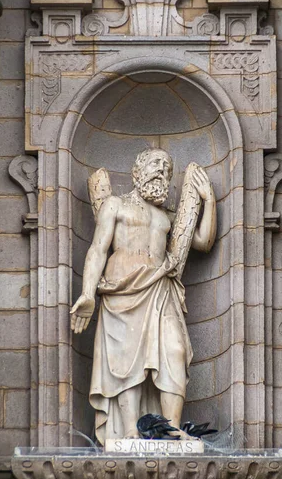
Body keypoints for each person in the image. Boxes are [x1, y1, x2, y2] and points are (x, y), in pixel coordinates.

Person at [71, 148, 216, 444]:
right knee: (126, 361)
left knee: (175, 351)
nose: (161, 169)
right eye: (154, 163)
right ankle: (128, 432)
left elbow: (202, 242)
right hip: (122, 291)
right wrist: (88, 293)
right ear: (137, 172)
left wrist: (209, 201)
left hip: (161, 288)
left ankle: (173, 429)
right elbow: (98, 249)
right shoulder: (115, 205)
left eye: (167, 166)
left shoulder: (167, 216)